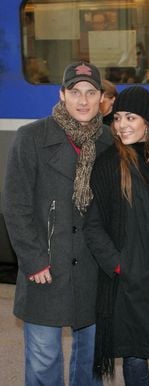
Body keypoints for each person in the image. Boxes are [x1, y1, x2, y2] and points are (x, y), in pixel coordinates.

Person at [2, 61, 112, 386]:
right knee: (44, 360)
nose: (83, 100)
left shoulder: (107, 142)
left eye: (90, 92)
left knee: (89, 361)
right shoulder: (31, 138)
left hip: (92, 269)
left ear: (101, 98)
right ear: (62, 94)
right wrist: (34, 260)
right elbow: (16, 205)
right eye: (75, 91)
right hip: (45, 267)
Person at [84, 86, 149, 385]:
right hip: (132, 274)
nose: (121, 125)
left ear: (147, 120)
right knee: (133, 350)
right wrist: (118, 265)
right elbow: (93, 225)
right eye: (117, 118)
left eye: (130, 117)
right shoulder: (107, 164)